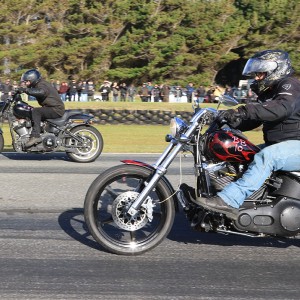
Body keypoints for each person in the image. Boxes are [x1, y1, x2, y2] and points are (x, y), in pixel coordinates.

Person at [190, 49, 300, 220]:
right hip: (283, 145)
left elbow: (281, 108)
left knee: (267, 157)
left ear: (276, 68)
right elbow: (255, 120)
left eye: (261, 73)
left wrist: (242, 111)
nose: (257, 77)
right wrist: (226, 121)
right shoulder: (270, 92)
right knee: (243, 153)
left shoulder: (289, 84)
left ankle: (229, 201)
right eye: (256, 73)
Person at [16, 69, 65, 148]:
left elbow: (41, 92)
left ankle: (36, 136)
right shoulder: (39, 84)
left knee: (36, 111)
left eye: (27, 81)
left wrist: (25, 90)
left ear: (33, 79)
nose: (26, 83)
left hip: (56, 109)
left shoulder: (42, 84)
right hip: (52, 107)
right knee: (32, 110)